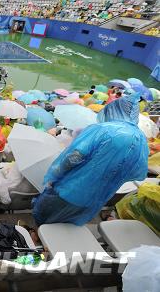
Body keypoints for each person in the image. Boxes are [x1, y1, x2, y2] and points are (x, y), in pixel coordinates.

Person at [32, 93, 149, 226]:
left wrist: (55, 176)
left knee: (44, 220)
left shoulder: (102, 129)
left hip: (70, 189)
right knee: (67, 226)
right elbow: (137, 174)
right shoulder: (141, 140)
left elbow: (74, 156)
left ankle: (39, 238)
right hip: (97, 197)